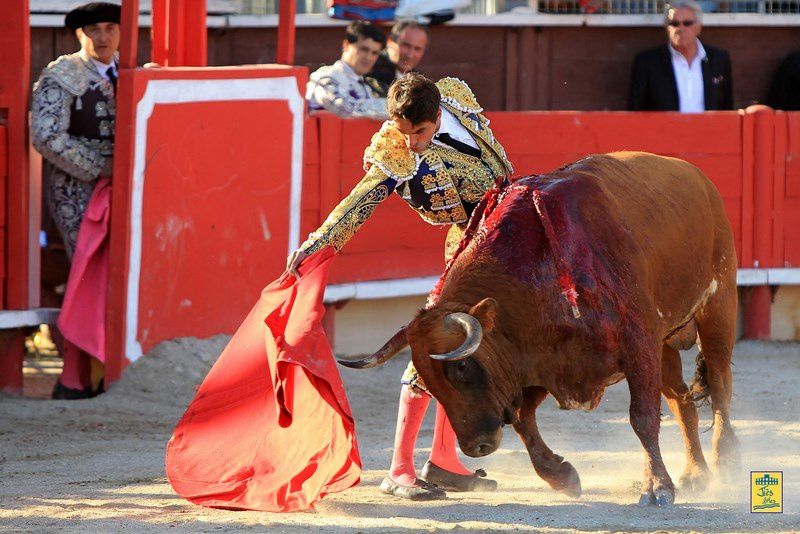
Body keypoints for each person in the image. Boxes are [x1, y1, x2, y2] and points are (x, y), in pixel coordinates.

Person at [287, 73, 513, 500]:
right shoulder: (393, 150)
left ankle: (444, 458)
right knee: (435, 348)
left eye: (419, 132)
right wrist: (318, 245)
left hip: (501, 248)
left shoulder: (456, 97)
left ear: (437, 115)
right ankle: (399, 469)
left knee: (467, 352)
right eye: (403, 130)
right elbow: (360, 200)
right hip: (465, 250)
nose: (410, 141)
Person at [30, 2, 120, 400]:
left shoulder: (133, 71)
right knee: (88, 275)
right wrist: (99, 166)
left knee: (120, 276)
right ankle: (79, 377)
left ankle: (109, 371)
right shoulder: (62, 74)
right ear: (78, 35)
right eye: (92, 30)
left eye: (109, 28)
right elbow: (47, 136)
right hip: (78, 192)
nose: (102, 38)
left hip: (129, 191)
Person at [628, 0, 733, 112]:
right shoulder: (647, 62)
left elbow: (727, 107)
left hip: (708, 128)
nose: (680, 29)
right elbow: (636, 110)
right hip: (665, 128)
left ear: (699, 27)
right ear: (666, 28)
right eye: (674, 24)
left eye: (687, 23)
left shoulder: (718, 59)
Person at [306, 21, 388, 120]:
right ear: (346, 45)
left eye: (374, 53)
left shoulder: (366, 88)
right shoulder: (325, 76)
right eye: (364, 49)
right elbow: (342, 107)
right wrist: (393, 107)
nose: (369, 57)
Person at [368, 20, 428, 96]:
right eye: (406, 45)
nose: (410, 55)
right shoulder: (371, 69)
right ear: (390, 42)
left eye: (417, 49)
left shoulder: (420, 81)